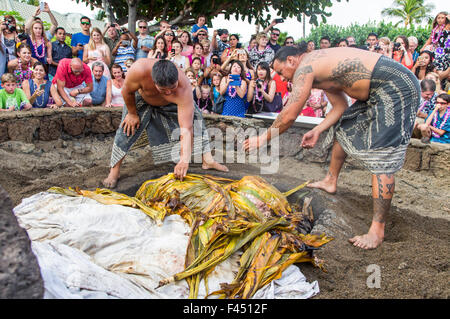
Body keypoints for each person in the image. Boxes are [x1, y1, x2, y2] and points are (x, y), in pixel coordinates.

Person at [243, 45, 421, 250]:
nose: (282, 79)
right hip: (376, 90)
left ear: (292, 61)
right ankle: (330, 180)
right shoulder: (322, 71)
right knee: (345, 125)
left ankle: (377, 230)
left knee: (382, 156)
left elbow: (290, 114)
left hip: (395, 84)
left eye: (281, 72)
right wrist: (318, 129)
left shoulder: (306, 66)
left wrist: (263, 138)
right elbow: (340, 107)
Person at [102, 59, 229, 188]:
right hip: (142, 98)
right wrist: (132, 113)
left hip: (171, 103)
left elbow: (186, 128)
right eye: (163, 89)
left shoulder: (183, 88)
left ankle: (207, 160)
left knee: (197, 120)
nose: (168, 92)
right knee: (127, 128)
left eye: (172, 88)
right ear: (153, 81)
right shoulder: (139, 70)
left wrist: (184, 160)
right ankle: (114, 171)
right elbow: (126, 91)